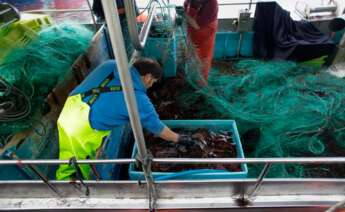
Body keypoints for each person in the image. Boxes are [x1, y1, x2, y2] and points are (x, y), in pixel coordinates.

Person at [56, 58, 189, 180]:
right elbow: (159, 129)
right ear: (148, 77)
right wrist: (180, 139)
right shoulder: (138, 99)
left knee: (67, 157)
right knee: (77, 166)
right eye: (153, 82)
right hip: (82, 127)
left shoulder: (110, 64)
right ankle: (70, 192)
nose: (151, 86)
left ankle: (67, 178)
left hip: (69, 110)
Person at [183, 0, 218, 82]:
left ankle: (201, 84)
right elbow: (186, 6)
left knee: (203, 58)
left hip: (206, 32)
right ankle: (191, 77)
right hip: (192, 32)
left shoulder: (212, 3)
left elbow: (197, 26)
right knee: (191, 54)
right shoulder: (189, 1)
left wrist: (184, 14)